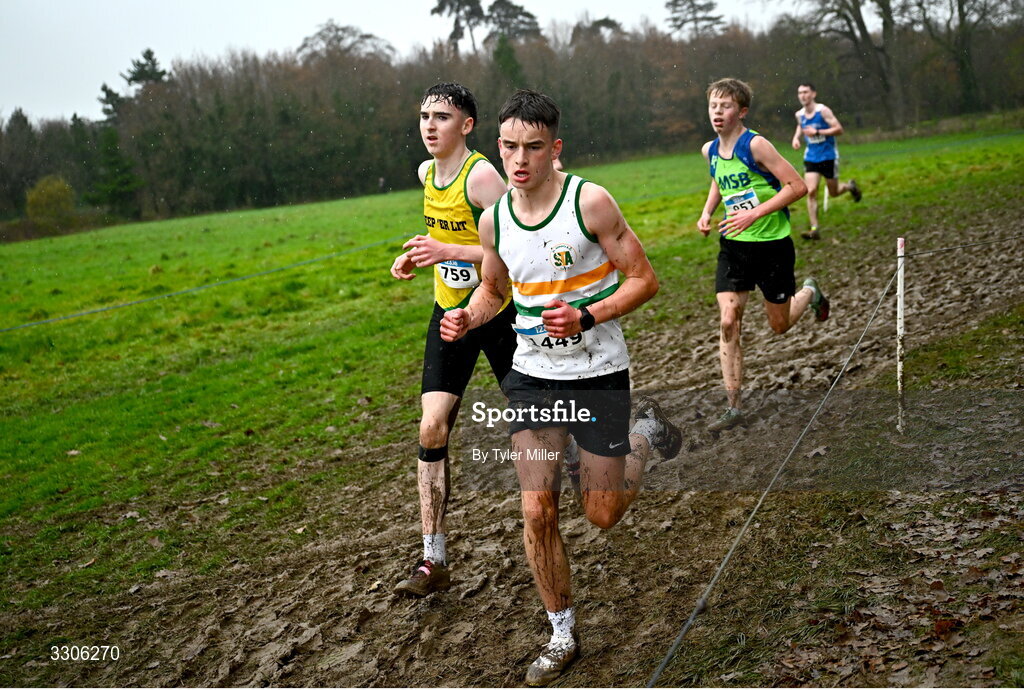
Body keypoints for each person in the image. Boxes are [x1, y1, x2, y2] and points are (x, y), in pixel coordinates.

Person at [440, 89, 682, 687]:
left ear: (555, 148)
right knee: (537, 506)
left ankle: (644, 436)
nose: (520, 160)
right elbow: (493, 289)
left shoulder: (590, 203)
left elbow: (645, 280)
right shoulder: (494, 217)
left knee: (601, 514)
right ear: (497, 147)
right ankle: (562, 631)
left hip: (598, 373)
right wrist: (470, 317)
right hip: (532, 379)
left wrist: (588, 316)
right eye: (509, 147)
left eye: (534, 147)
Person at [389, 82, 515, 597]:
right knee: (432, 426)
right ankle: (432, 559)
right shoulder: (425, 174)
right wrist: (417, 257)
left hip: (502, 313)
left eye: (441, 116)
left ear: (466, 125)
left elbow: (520, 250)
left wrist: (448, 250)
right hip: (450, 316)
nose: (429, 125)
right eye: (423, 115)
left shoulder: (482, 176)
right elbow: (442, 243)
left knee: (547, 427)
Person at [698, 78, 831, 432]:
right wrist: (708, 212)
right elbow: (718, 179)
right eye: (713, 105)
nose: (717, 112)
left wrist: (754, 213)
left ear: (741, 111)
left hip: (772, 247)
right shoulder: (709, 150)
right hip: (734, 248)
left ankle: (810, 292)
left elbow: (797, 186)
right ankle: (733, 406)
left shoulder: (755, 145)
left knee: (780, 325)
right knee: (728, 321)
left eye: (725, 106)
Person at [791, 82, 862, 240]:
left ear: (813, 94)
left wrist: (817, 131)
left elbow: (839, 129)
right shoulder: (799, 114)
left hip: (828, 156)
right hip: (811, 157)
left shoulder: (823, 111)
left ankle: (850, 186)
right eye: (800, 93)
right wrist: (796, 138)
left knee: (834, 192)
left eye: (806, 92)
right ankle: (814, 228)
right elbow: (800, 126)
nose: (802, 96)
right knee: (811, 191)